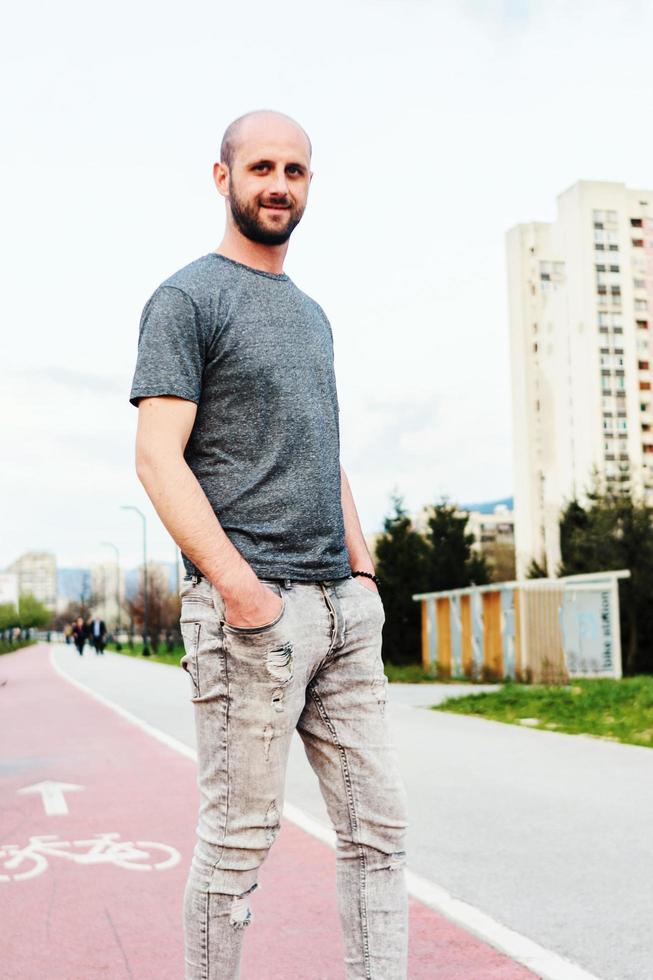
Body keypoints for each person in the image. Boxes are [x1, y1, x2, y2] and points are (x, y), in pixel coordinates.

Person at [129, 110, 407, 980]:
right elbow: (156, 457)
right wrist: (244, 594)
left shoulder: (312, 315)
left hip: (340, 609)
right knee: (238, 842)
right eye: (260, 168)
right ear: (224, 179)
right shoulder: (187, 299)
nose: (277, 184)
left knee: (379, 835)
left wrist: (362, 573)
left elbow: (323, 452)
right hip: (252, 618)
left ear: (308, 184)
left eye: (293, 169)